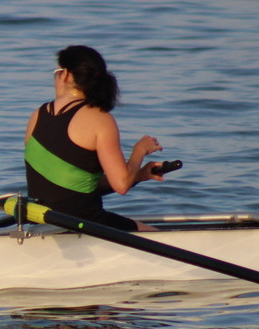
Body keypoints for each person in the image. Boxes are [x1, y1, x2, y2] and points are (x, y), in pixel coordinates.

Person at [23, 45, 164, 232]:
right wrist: (139, 151)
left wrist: (139, 175)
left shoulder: (36, 116)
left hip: (39, 222)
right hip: (84, 222)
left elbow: (73, 184)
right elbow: (121, 185)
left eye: (55, 73)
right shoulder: (99, 119)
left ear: (65, 75)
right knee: (159, 235)